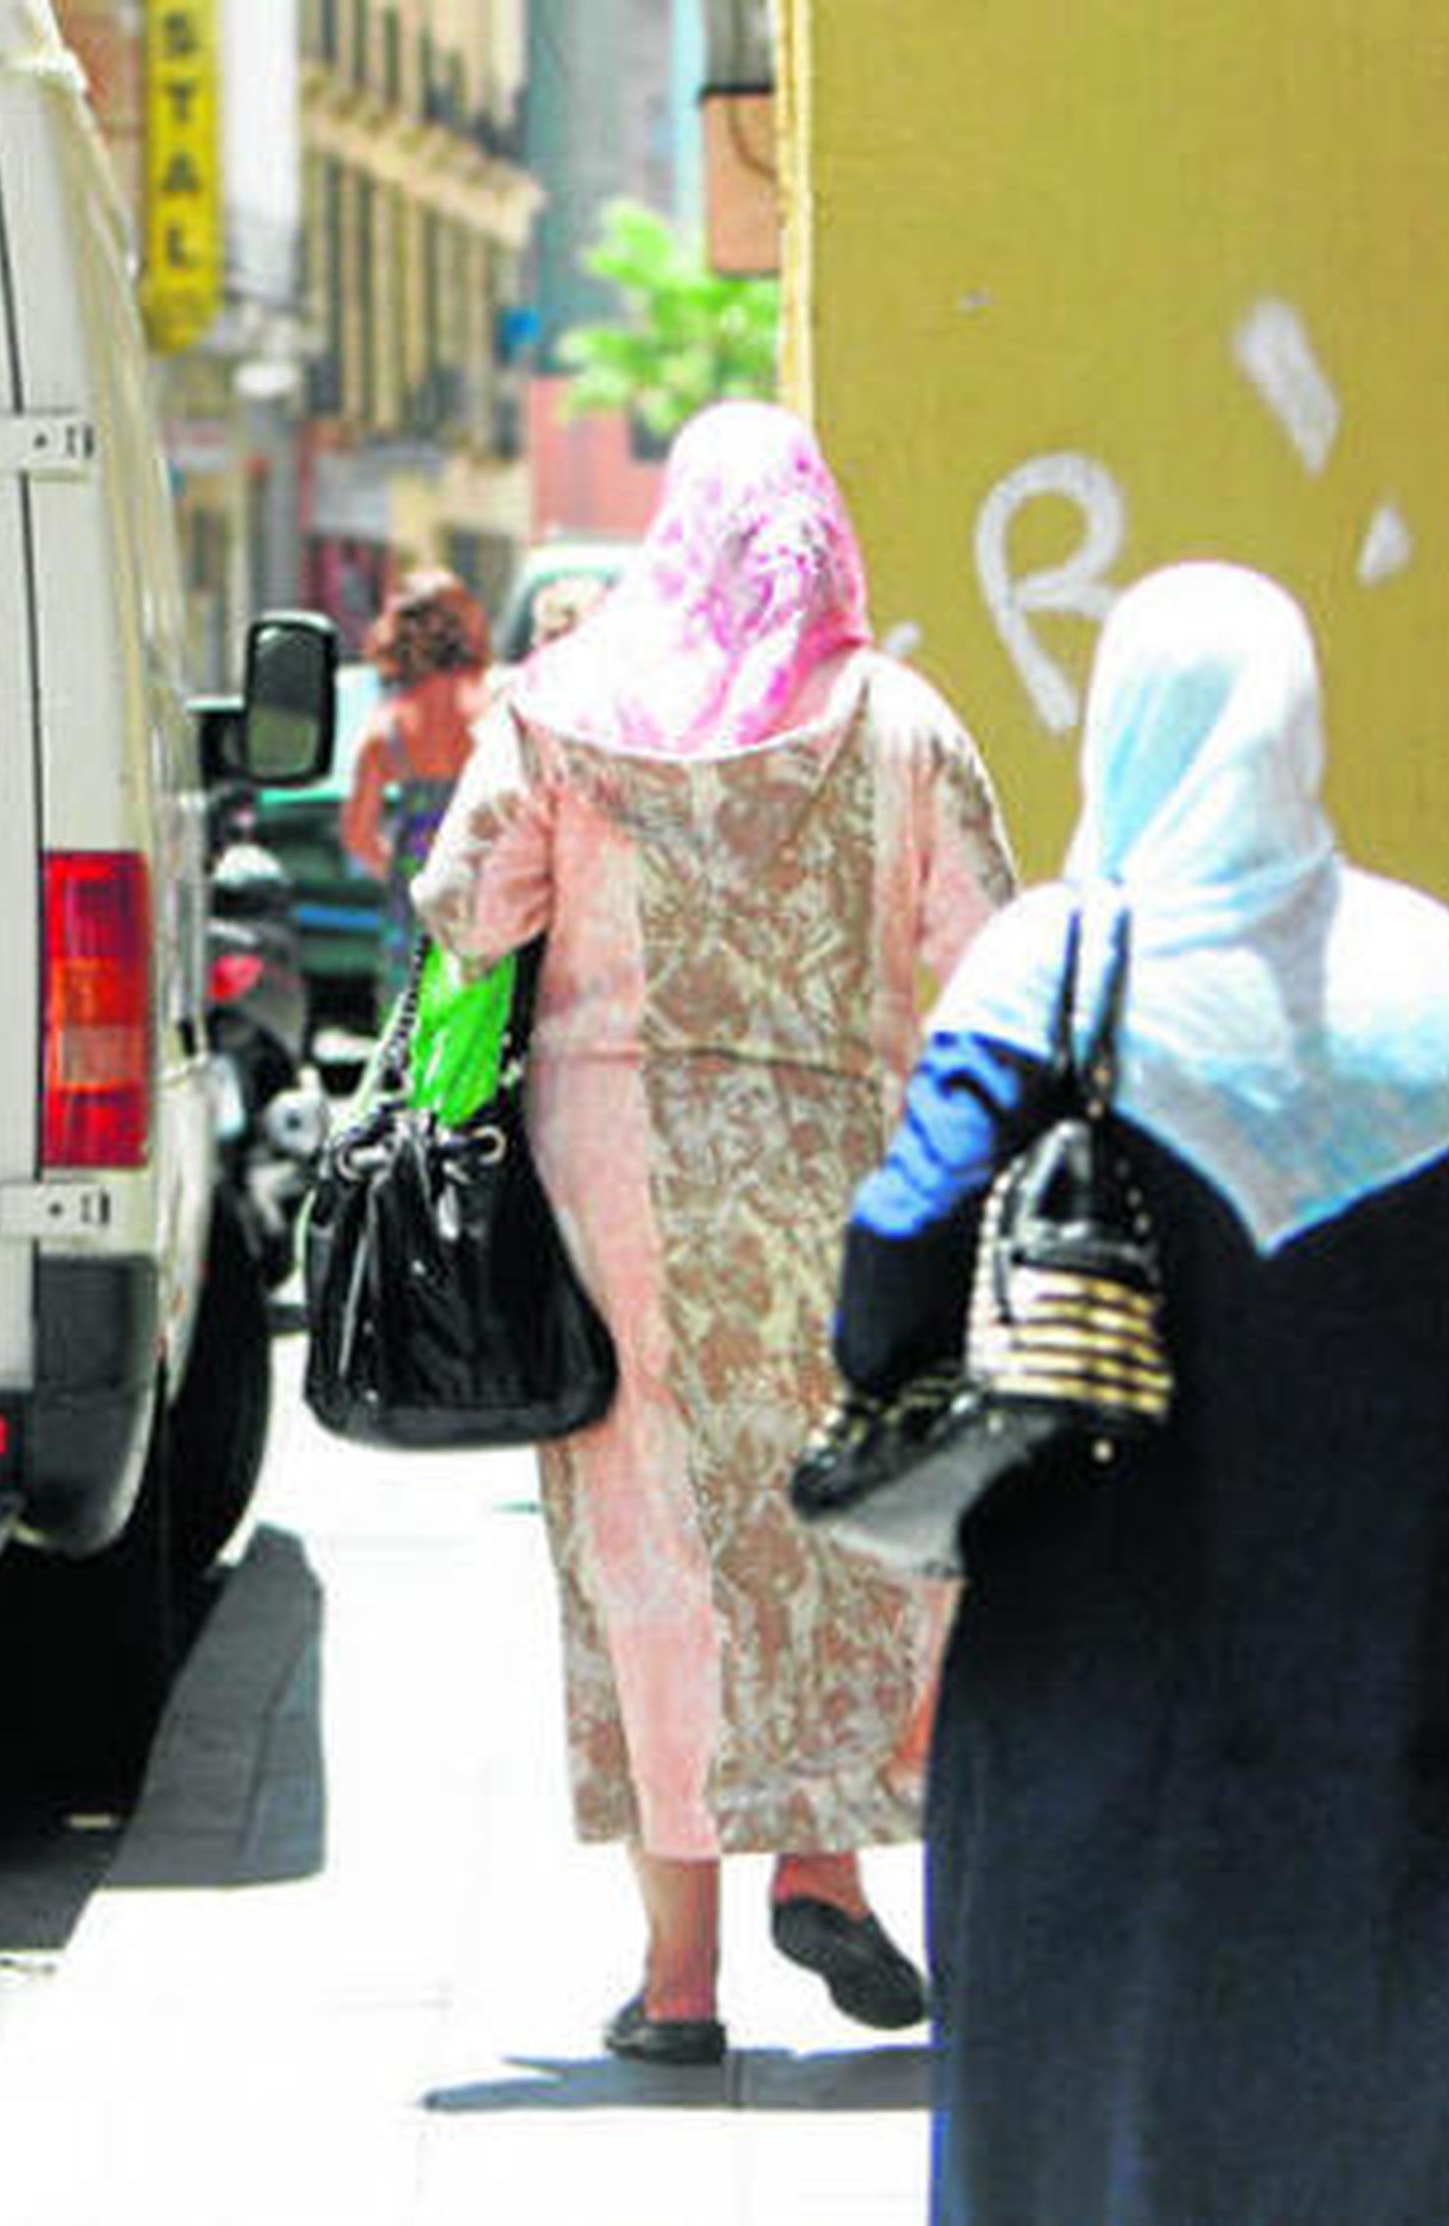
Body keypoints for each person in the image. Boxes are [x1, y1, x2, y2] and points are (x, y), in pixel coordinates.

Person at [831, 561, 1449, 2224]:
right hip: (1417, 1680)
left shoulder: (1049, 979)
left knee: (1095, 2114)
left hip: (1116, 1696)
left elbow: (889, 1281)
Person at [413, 399, 1018, 2063]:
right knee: (841, 1519)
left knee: (652, 1554)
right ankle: (818, 1859)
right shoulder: (900, 722)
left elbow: (467, 918)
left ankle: (677, 1985)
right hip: (847, 1166)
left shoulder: (563, 708)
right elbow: (990, 958)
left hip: (616, 1191)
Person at [340, 568, 491, 1003]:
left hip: (414, 908)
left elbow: (358, 835)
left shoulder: (387, 727)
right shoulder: (496, 705)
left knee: (409, 1031)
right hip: (484, 896)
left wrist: (404, 871)